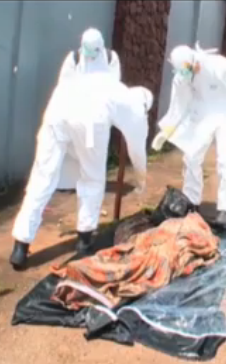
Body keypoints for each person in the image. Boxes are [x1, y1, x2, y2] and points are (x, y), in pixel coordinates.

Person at [9, 73, 153, 271]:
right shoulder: (136, 106)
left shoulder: (111, 85)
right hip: (89, 121)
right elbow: (137, 149)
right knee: (92, 179)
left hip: (57, 111)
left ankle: (20, 246)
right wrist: (141, 180)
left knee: (42, 178)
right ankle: (84, 241)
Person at [151, 44, 226, 227]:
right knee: (191, 156)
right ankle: (192, 201)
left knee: (225, 161)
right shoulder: (182, 77)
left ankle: (225, 208)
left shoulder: (220, 67)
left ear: (195, 60)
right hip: (204, 115)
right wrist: (166, 130)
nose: (187, 74)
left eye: (189, 69)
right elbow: (178, 106)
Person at [57, 27, 122, 190]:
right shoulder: (73, 58)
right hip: (76, 111)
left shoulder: (110, 58)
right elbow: (64, 86)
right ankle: (68, 184)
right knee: (71, 150)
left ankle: (91, 184)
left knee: (93, 151)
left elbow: (113, 86)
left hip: (98, 115)